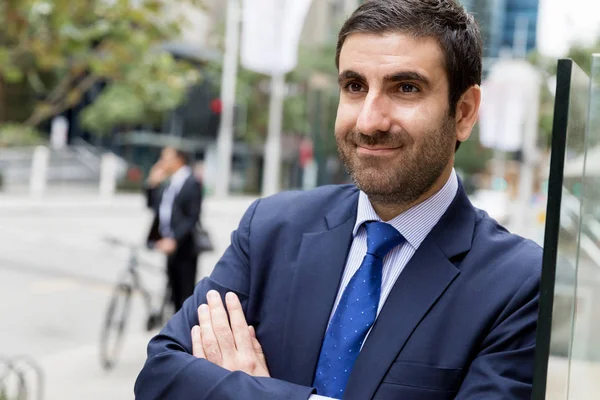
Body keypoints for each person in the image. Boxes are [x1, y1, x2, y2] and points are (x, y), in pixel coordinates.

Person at [135, 1, 542, 399]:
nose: (368, 121)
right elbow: (161, 375)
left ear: (465, 112)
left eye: (405, 88)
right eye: (354, 86)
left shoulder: (518, 285)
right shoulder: (270, 230)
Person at [145, 147, 203, 312]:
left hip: (184, 245)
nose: (162, 162)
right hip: (167, 243)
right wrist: (152, 184)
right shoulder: (169, 183)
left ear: (178, 160)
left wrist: (174, 239)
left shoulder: (191, 182)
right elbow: (154, 206)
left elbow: (193, 217)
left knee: (184, 293)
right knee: (172, 291)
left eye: (166, 158)